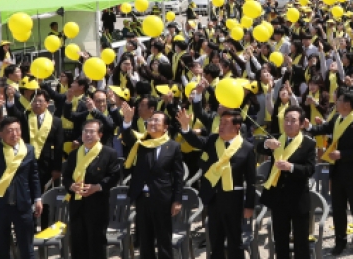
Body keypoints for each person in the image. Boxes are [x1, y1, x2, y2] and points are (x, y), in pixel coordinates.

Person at [177, 108, 255, 259]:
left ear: (237, 127)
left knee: (234, 241)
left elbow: (251, 180)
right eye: (221, 122)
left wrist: (249, 205)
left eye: (226, 123)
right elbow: (196, 142)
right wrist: (186, 127)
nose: (221, 126)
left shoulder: (246, 148)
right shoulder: (213, 140)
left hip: (234, 198)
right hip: (214, 198)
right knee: (215, 240)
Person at [306, 87, 353, 256]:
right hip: (337, 171)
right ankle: (340, 240)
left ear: (347, 104)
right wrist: (310, 127)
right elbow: (325, 129)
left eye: (339, 100)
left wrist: (342, 154)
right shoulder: (337, 119)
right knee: (339, 208)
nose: (337, 103)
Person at [0, 92, 42, 259]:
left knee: (26, 247)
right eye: (9, 131)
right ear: (1, 134)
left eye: (17, 130)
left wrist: (37, 198)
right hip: (0, 205)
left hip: (22, 204)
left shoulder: (28, 150)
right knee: (2, 247)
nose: (14, 134)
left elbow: (34, 176)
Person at [121, 104, 184, 259]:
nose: (152, 123)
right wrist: (127, 121)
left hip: (162, 198)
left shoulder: (173, 147)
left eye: (157, 121)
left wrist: (177, 200)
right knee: (145, 239)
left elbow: (178, 176)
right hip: (142, 198)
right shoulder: (141, 143)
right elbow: (128, 137)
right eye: (150, 121)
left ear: (165, 127)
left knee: (164, 239)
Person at [258, 106, 317, 259]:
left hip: (298, 198)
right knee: (280, 239)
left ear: (302, 123)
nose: (289, 124)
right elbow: (258, 147)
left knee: (301, 242)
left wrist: (291, 167)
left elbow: (310, 170)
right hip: (278, 198)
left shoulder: (308, 143)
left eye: (293, 121)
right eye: (286, 120)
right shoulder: (277, 139)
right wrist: (266, 144)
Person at [62, 119, 121, 259]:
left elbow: (114, 176)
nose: (88, 134)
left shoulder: (109, 153)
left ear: (100, 134)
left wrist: (97, 187)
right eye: (85, 131)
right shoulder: (74, 154)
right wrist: (71, 185)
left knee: (96, 244)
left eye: (92, 131)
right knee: (77, 243)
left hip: (97, 205)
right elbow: (66, 177)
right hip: (77, 204)